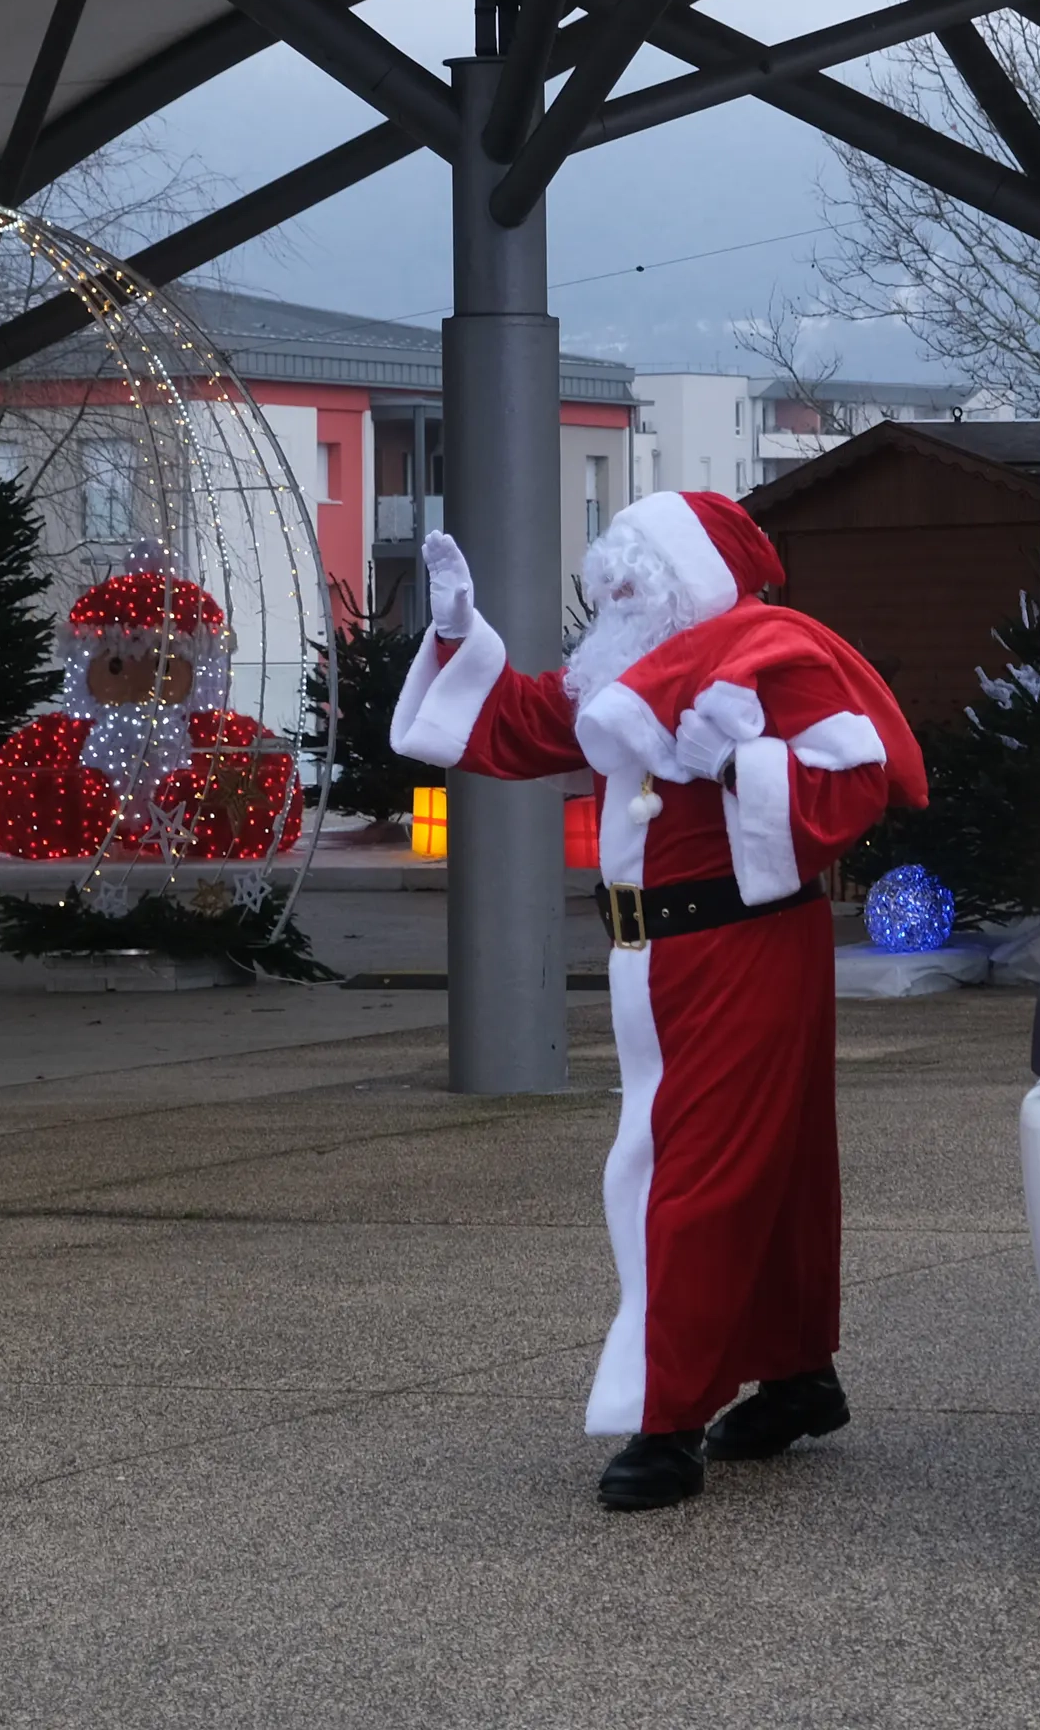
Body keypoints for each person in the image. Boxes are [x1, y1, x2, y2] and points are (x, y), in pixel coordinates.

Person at [389, 489, 923, 1511]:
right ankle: (799, 1373)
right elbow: (527, 722)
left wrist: (736, 760)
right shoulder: (630, 669)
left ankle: (666, 1418)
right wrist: (459, 632)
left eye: (632, 575)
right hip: (656, 953)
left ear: (685, 580)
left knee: (686, 1175)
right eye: (607, 579)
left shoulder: (777, 652)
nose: (613, 593)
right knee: (765, 1166)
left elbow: (854, 789)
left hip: (740, 943)